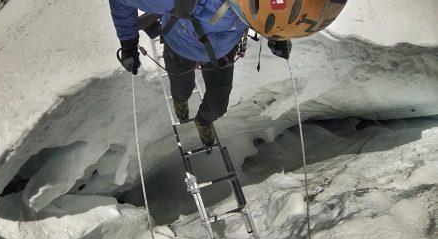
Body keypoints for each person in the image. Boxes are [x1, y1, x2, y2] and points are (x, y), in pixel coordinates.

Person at [108, 0, 345, 148]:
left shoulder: (254, 7)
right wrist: (128, 43)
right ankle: (181, 102)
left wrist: (274, 35)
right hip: (180, 50)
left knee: (218, 104)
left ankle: (203, 120)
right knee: (181, 88)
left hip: (220, 56)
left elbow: (267, 12)